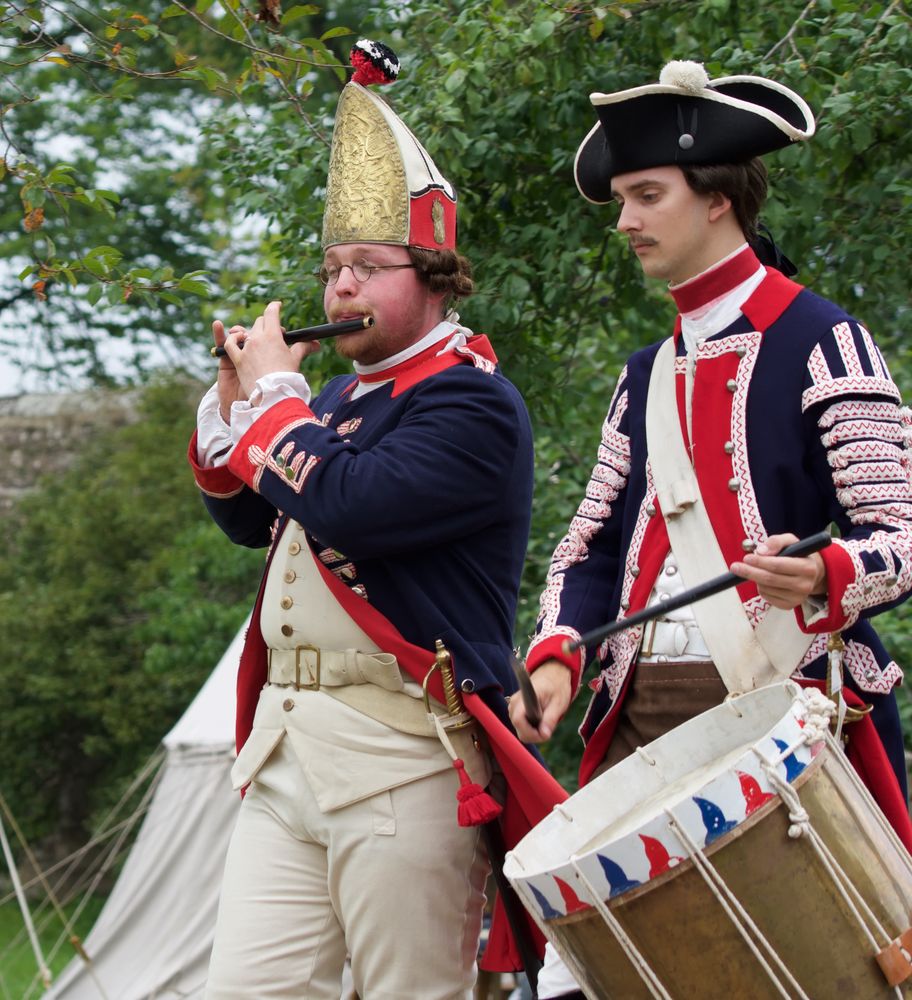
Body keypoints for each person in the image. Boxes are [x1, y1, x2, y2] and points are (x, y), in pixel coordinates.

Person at [508, 59, 912, 998]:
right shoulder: (643, 374)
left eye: (647, 196)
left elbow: (901, 529)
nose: (626, 223)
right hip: (638, 718)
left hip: (790, 708)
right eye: (621, 199)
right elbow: (591, 546)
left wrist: (825, 574)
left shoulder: (826, 340)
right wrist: (560, 652)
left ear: (719, 200)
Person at [189, 40, 565, 1000]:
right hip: (287, 748)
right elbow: (257, 527)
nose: (340, 288)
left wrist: (276, 402)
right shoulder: (339, 400)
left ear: (434, 274)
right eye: (332, 268)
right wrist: (235, 413)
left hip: (403, 753)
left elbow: (353, 507)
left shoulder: (473, 403)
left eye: (366, 266)